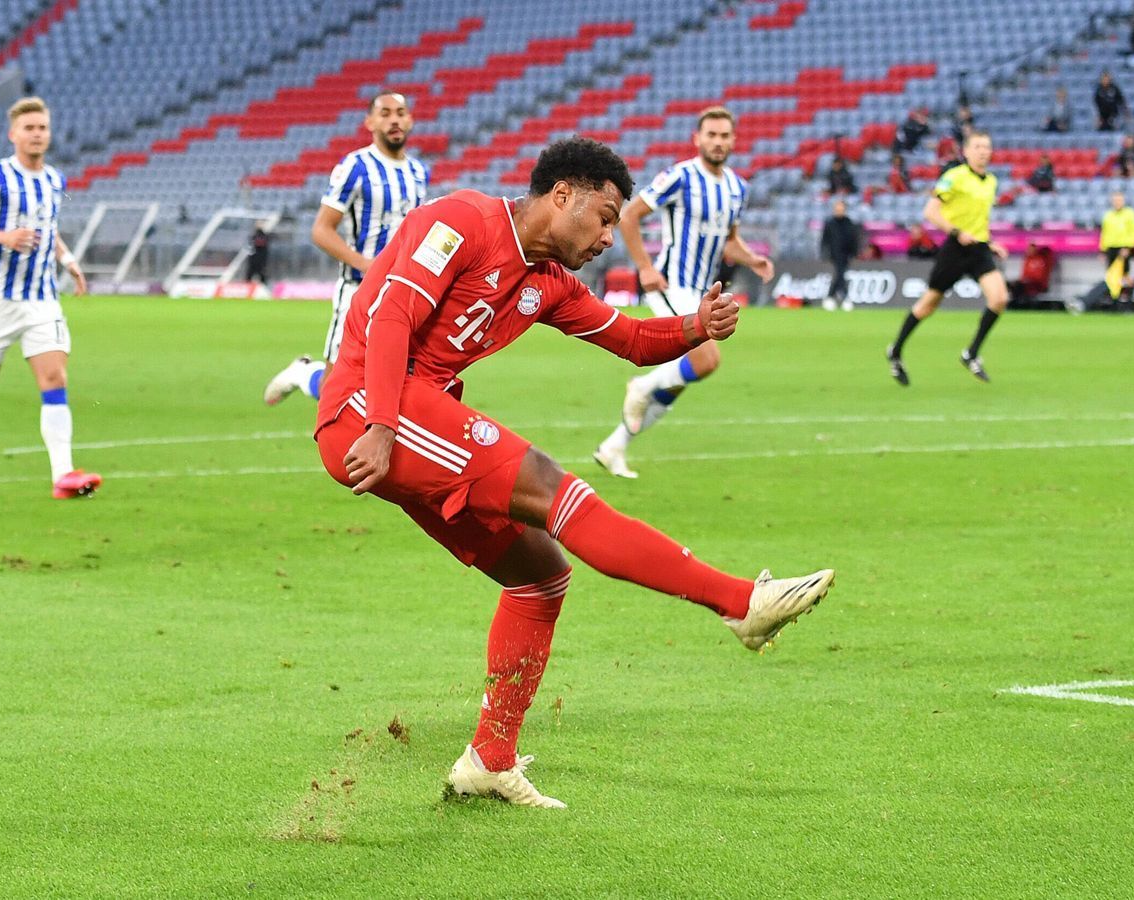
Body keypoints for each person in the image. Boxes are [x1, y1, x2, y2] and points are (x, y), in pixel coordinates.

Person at [313, 137, 835, 809]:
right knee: (556, 489)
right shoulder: (462, 221)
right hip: (366, 409)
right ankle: (741, 604)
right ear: (563, 195)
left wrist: (696, 325)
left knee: (539, 575)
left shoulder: (548, 284)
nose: (611, 237)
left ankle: (489, 759)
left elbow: (633, 340)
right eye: (606, 215)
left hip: (410, 418)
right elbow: (390, 316)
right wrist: (383, 424)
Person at [592, 107, 773, 479]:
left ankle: (615, 446)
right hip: (671, 284)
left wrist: (753, 259)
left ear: (733, 140)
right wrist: (644, 267)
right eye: (712, 135)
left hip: (703, 291)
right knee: (707, 360)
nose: (718, 142)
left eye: (725, 136)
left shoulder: (737, 187)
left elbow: (729, 242)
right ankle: (640, 386)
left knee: (678, 382)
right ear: (698, 138)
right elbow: (629, 215)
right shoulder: (681, 176)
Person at [0, 96, 97, 498]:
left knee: (54, 378)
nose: (37, 135)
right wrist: (3, 237)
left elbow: (48, 230)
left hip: (42, 300)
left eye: (43, 128)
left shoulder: (55, 180)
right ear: (13, 134)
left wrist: (68, 261)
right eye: (29, 128)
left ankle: (63, 478)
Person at [264, 90, 429, 406]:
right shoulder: (355, 166)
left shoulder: (418, 172)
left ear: (410, 120)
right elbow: (321, 229)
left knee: (397, 383)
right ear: (370, 122)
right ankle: (304, 373)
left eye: (400, 112)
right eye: (385, 113)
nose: (394, 119)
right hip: (358, 289)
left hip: (402, 292)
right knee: (334, 392)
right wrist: (366, 264)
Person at [886, 129, 1009, 385]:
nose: (983, 151)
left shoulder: (991, 182)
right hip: (955, 247)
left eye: (986, 147)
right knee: (928, 304)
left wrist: (991, 242)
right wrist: (957, 232)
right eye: (977, 147)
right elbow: (930, 211)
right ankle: (896, 350)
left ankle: (971, 353)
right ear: (965, 151)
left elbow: (979, 219)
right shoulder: (954, 177)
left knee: (999, 299)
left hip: (979, 248)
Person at [819, 197, 861, 311]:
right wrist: (824, 253)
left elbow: (854, 239)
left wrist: (854, 252)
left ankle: (831, 297)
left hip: (846, 254)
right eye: (837, 208)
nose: (839, 210)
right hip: (834, 254)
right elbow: (824, 240)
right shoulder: (830, 223)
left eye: (841, 208)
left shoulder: (849, 223)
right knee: (840, 274)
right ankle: (844, 298)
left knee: (840, 275)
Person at [1099, 191, 1134, 301]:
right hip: (1111, 249)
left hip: (1125, 248)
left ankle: (1128, 299)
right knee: (1112, 276)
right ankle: (1114, 299)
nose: (1117, 202)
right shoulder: (1108, 215)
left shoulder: (1130, 214)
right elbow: (1104, 233)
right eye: (1115, 200)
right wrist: (1102, 250)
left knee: (1126, 275)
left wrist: (1128, 247)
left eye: (1119, 200)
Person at [243, 220, 271, 287]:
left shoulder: (264, 236)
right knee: (249, 276)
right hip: (253, 260)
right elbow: (249, 248)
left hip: (261, 260)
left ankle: (265, 290)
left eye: (260, 224)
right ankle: (247, 290)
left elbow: (262, 244)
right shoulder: (253, 236)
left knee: (262, 276)